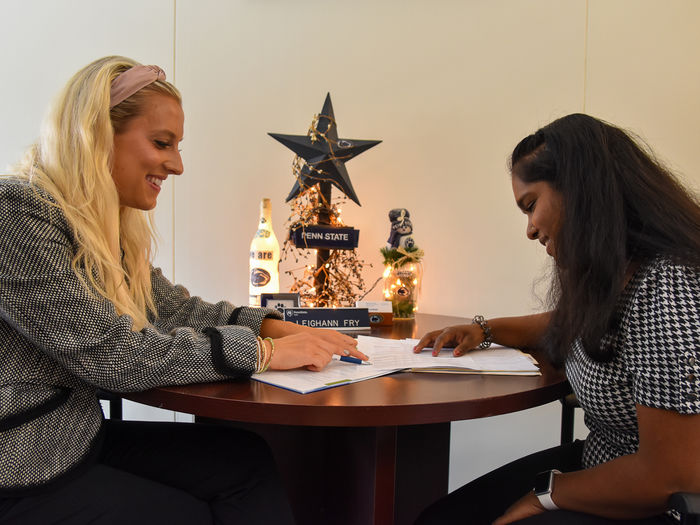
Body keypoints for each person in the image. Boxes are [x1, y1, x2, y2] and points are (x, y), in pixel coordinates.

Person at [0, 56, 368, 524]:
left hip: (70, 435)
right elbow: (113, 356)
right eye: (161, 143)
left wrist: (282, 328)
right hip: (21, 464)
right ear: (93, 134)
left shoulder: (95, 222)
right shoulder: (15, 213)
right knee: (187, 514)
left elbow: (168, 307)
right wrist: (264, 351)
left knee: (245, 460)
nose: (175, 164)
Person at [414, 114, 700, 524]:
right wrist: (484, 329)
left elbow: (671, 475)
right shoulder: (620, 275)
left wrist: (545, 495)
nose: (530, 230)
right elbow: (561, 324)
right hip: (601, 464)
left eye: (531, 206)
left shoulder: (668, 285)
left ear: (581, 190)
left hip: (650, 503)